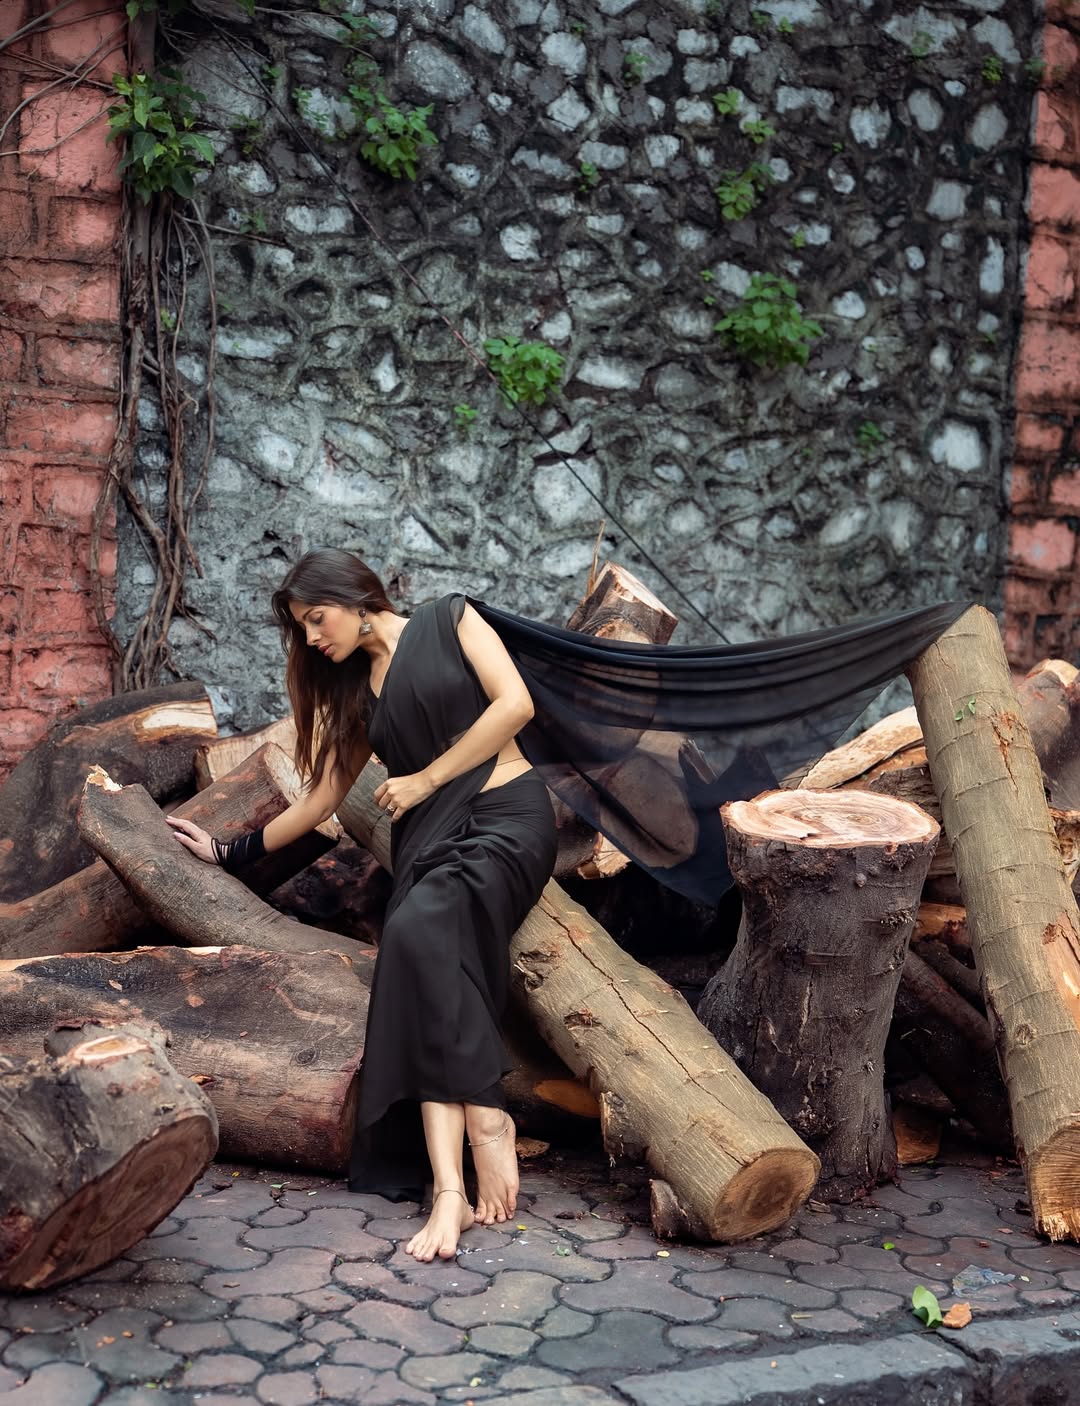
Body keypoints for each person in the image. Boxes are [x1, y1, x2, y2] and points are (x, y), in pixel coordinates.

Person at [167, 547, 558, 1262]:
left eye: (318, 618)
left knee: (418, 930)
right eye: (303, 628)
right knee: (413, 941)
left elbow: (516, 705)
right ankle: (453, 1180)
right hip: (431, 842)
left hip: (507, 817)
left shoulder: (450, 619)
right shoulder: (355, 695)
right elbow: (320, 799)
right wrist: (228, 851)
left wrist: (425, 779)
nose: (313, 636)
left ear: (355, 597)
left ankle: (481, 1134)